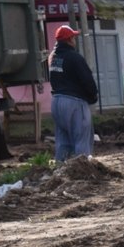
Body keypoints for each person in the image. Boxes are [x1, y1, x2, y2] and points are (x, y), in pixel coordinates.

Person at [48, 25, 99, 162]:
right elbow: (87, 80)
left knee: (63, 141)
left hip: (57, 101)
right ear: (70, 39)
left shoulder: (53, 58)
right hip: (74, 102)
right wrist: (93, 96)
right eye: (74, 38)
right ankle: (82, 173)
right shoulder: (75, 57)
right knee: (81, 139)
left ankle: (60, 171)